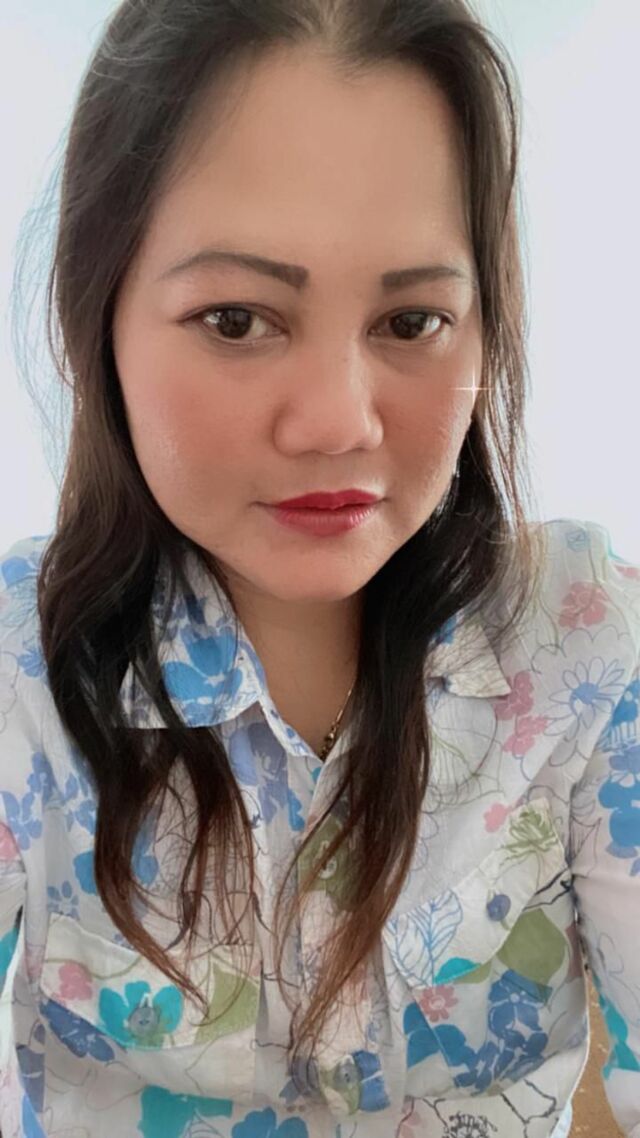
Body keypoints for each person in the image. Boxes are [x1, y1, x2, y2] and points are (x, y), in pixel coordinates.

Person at [1, 1, 639, 1135]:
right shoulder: (21, 677)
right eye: (236, 318)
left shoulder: (587, 647)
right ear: (97, 317)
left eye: (411, 322)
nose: (340, 423)